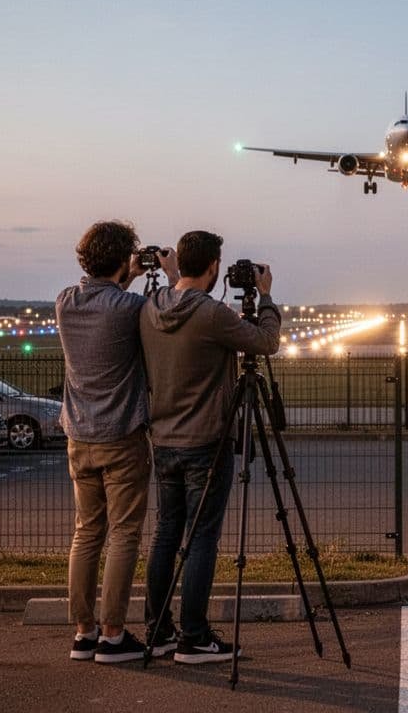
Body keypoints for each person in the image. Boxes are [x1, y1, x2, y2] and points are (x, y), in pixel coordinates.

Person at [140, 230, 281, 664]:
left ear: (180, 263)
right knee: (202, 538)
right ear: (215, 267)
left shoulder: (152, 306)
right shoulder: (211, 314)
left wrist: (170, 276)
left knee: (166, 534)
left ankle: (158, 629)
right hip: (206, 441)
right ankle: (195, 636)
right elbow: (265, 342)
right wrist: (268, 297)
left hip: (162, 440)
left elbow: (170, 293)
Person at [57, 220, 179, 664]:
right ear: (124, 259)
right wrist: (168, 276)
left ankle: (83, 631)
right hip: (122, 435)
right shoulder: (129, 309)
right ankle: (113, 633)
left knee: (86, 533)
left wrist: (122, 270)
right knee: (124, 534)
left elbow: (102, 291)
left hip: (78, 435)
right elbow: (161, 317)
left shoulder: (65, 302)